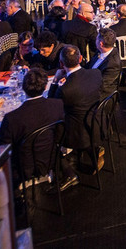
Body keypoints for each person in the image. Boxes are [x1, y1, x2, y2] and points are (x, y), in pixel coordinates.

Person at [47, 44, 103, 190]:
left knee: (47, 138)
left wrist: (55, 82)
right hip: (95, 124)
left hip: (75, 134)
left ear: (61, 64)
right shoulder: (96, 74)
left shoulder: (65, 89)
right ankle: (93, 151)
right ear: (80, 58)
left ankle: (69, 173)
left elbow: (51, 105)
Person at [0, 68, 65, 184]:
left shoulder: (12, 118)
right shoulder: (57, 105)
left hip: (23, 168)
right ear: (45, 87)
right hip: (51, 159)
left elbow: (3, 151)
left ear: (23, 88)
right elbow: (59, 134)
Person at [90, 28, 122, 98]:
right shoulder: (100, 51)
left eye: (96, 39)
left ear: (101, 44)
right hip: (91, 84)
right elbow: (88, 66)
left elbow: (102, 86)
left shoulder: (113, 64)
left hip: (100, 96)